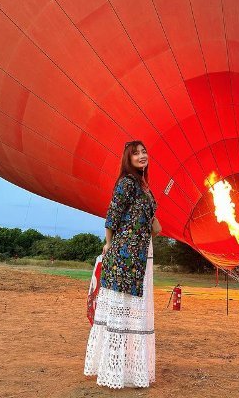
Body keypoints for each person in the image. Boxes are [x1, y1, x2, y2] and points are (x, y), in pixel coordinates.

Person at [84, 140, 160, 389]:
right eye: (136, 153)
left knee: (133, 311)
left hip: (140, 254)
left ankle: (127, 367)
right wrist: (108, 245)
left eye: (144, 152)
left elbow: (152, 223)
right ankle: (113, 370)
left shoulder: (144, 186)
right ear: (128, 159)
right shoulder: (127, 183)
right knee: (124, 308)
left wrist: (149, 228)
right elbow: (112, 215)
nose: (142, 156)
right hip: (125, 255)